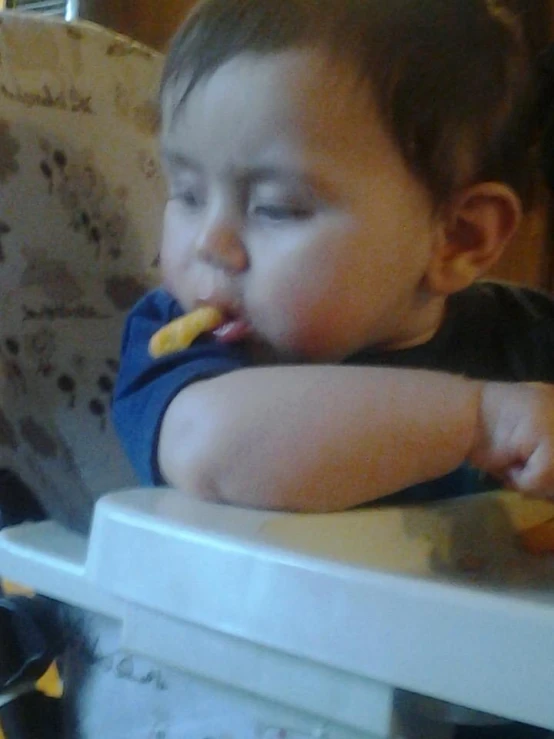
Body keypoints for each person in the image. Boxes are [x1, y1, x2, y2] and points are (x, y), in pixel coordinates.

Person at [113, 0, 554, 516]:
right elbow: (207, 446)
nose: (210, 243)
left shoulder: (530, 337)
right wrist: (481, 423)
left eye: (275, 208)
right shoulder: (183, 346)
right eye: (186, 194)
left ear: (458, 238)